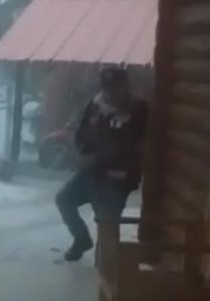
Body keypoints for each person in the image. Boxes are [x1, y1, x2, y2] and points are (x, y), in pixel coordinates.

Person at [56, 66, 149, 262]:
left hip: (116, 178)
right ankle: (81, 238)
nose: (111, 93)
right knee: (64, 199)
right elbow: (81, 134)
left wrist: (98, 158)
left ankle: (105, 267)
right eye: (107, 88)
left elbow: (132, 146)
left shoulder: (139, 110)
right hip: (90, 174)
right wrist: (82, 152)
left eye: (116, 88)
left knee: (107, 225)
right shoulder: (94, 106)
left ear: (125, 87)